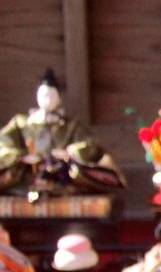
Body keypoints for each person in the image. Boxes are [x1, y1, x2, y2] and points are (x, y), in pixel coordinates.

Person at [0, 69, 126, 201]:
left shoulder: (71, 126)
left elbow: (90, 144)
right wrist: (21, 157)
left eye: (51, 96)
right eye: (43, 96)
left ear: (59, 99)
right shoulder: (21, 123)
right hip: (27, 178)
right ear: (37, 97)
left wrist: (70, 153)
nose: (47, 100)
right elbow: (3, 143)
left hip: (62, 178)